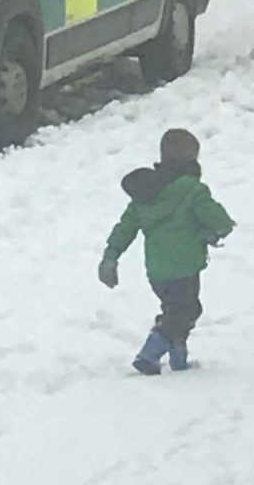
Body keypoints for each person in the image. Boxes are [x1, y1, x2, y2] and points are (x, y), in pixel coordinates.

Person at [97, 128, 235, 375]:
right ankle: (150, 354)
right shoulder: (192, 190)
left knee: (175, 311)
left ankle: (178, 358)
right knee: (187, 311)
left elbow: (125, 228)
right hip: (185, 267)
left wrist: (111, 256)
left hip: (157, 271)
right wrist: (218, 230)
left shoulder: (145, 194)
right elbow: (218, 219)